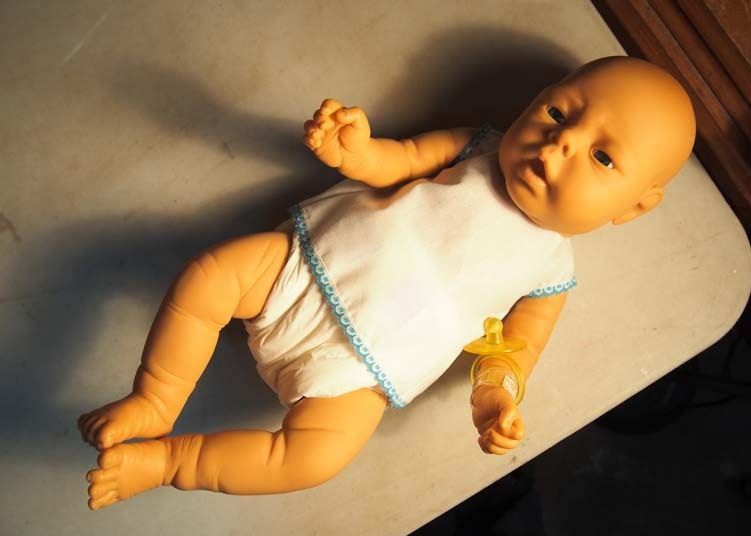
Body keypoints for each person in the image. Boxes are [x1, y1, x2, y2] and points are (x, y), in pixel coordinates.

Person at [78, 56, 696, 510]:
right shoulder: (479, 148)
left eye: (602, 157)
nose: (560, 143)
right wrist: (354, 152)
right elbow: (398, 160)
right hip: (303, 269)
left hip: (359, 374)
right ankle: (155, 400)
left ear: (634, 207)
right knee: (209, 277)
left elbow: (511, 351)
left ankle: (168, 462)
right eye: (558, 112)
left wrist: (496, 400)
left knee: (313, 460)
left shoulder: (550, 272)